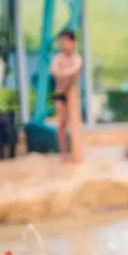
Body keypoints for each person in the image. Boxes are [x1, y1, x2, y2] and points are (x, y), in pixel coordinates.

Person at [49, 29, 83, 162]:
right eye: (61, 42)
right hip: (60, 92)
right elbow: (54, 72)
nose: (63, 45)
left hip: (72, 93)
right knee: (62, 122)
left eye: (65, 42)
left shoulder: (77, 58)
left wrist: (63, 73)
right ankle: (63, 153)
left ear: (73, 42)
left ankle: (76, 153)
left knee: (74, 122)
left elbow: (73, 71)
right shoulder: (58, 58)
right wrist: (63, 74)